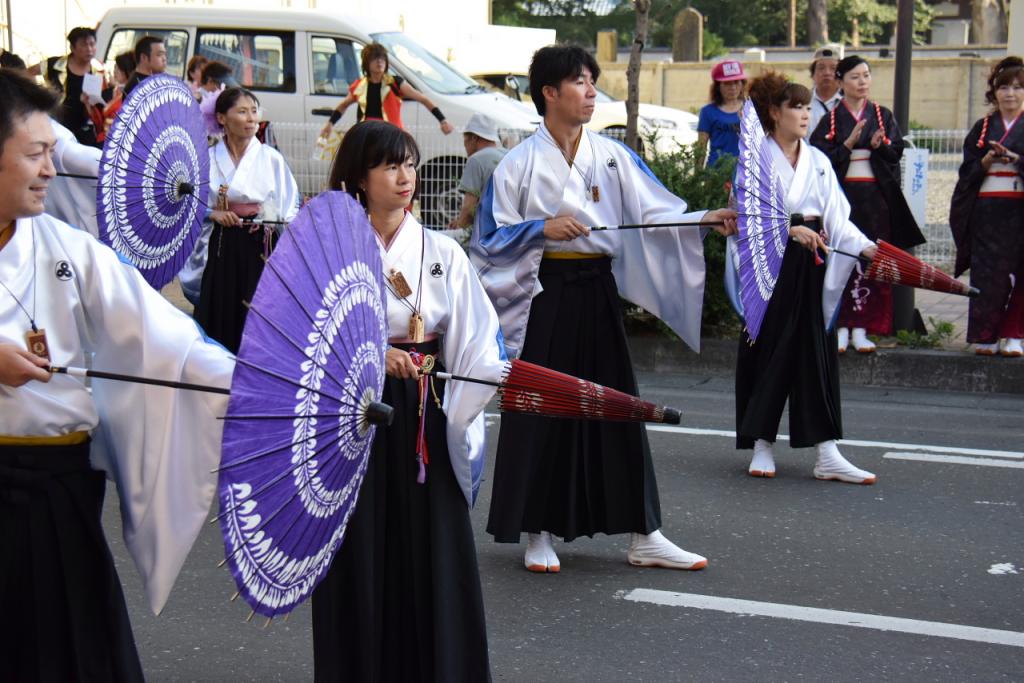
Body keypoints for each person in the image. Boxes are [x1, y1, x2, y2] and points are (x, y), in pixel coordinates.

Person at [0, 68, 233, 681]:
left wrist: (254, 384)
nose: (51, 170)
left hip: (58, 492)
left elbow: (162, 334)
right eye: (35, 154)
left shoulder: (66, 247)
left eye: (52, 153)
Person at [472, 45, 736, 574]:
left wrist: (704, 218)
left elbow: (656, 213)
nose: (592, 92)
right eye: (580, 82)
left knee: (619, 408)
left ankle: (645, 533)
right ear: (550, 92)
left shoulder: (612, 155)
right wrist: (540, 229)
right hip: (543, 295)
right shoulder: (518, 163)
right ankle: (537, 530)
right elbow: (487, 241)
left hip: (597, 291)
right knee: (541, 405)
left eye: (592, 81)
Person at [311, 120, 504, 681]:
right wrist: (373, 352)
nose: (406, 177)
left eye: (411, 165)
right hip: (352, 414)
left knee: (434, 545)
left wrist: (482, 379)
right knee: (359, 546)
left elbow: (477, 336)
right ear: (359, 176)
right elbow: (310, 333)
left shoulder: (441, 250)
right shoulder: (329, 250)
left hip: (426, 406)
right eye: (390, 165)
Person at [728, 70, 880, 484]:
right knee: (768, 350)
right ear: (774, 113)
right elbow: (747, 215)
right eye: (795, 107)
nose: (804, 114)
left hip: (811, 264)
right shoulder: (756, 159)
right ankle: (761, 443)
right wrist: (789, 229)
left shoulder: (819, 161)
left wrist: (866, 247)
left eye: (808, 107)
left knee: (815, 353)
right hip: (769, 266)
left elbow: (838, 218)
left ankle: (826, 450)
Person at [810, 55, 925, 353]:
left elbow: (895, 152)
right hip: (844, 199)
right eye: (854, 77)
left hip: (876, 200)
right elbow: (818, 159)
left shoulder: (882, 115)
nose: (862, 82)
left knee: (873, 259)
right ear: (841, 82)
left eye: (866, 75)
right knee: (842, 257)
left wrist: (880, 146)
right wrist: (848, 144)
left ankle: (863, 329)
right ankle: (840, 326)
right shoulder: (830, 119)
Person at [191, 87, 300, 352]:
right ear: (221, 118)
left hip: (260, 242)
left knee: (258, 308)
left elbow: (289, 206)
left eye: (254, 111)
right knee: (222, 307)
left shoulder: (270, 158)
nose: (251, 118)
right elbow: (192, 203)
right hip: (221, 242)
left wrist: (278, 229)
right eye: (242, 112)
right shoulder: (207, 158)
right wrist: (213, 214)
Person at [950, 56, 1024, 357]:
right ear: (994, 92)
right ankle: (985, 335)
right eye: (1004, 87)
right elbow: (966, 172)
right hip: (987, 211)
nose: (1010, 93)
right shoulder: (982, 128)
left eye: (1018, 87)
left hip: (1019, 210)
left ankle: (1014, 336)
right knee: (987, 273)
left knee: (1020, 271)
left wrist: (1017, 159)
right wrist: (986, 160)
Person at [319, 42, 453, 138]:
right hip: (366, 135)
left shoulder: (395, 83)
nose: (379, 61)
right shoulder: (359, 85)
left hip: (391, 135)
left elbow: (422, 99)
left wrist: (442, 120)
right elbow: (343, 105)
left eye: (382, 58)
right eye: (375, 58)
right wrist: (329, 124)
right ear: (366, 63)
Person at [448, 113, 507, 229]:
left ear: (474, 138)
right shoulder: (509, 154)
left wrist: (459, 225)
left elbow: (469, 208)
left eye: (465, 139)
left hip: (490, 230)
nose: (465, 145)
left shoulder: (476, 160)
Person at [57, 27, 105, 147]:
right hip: (61, 128)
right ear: (72, 48)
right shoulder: (56, 65)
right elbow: (28, 72)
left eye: (92, 44)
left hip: (87, 130)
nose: (89, 49)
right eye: (84, 45)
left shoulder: (100, 70)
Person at [697, 59, 746, 168]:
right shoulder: (707, 112)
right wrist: (698, 174)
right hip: (716, 173)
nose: (733, 87)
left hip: (744, 173)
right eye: (727, 83)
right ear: (718, 86)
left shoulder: (751, 109)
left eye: (736, 82)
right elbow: (701, 148)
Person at [808, 44, 844, 136]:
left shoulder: (849, 102)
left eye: (833, 68)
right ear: (813, 74)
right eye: (821, 68)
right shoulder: (804, 101)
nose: (827, 73)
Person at [198, 60, 237, 139]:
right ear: (210, 81)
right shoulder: (196, 100)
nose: (224, 89)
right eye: (222, 85)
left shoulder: (218, 102)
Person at [101, 50, 136, 129]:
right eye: (115, 67)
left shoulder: (132, 94)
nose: (115, 71)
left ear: (128, 71)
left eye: (118, 68)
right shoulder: (114, 90)